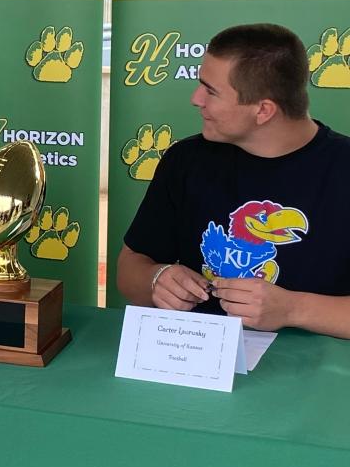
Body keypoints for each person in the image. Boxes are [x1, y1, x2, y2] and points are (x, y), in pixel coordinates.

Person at [117, 23, 350, 338]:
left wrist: (294, 309)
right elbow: (130, 269)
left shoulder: (341, 168)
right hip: (193, 363)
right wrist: (156, 280)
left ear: (263, 110)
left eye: (211, 90)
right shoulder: (185, 160)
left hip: (318, 376)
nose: (196, 98)